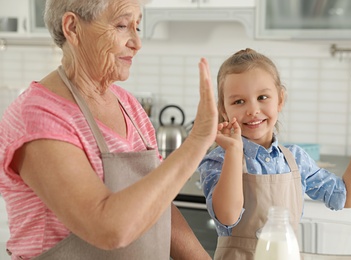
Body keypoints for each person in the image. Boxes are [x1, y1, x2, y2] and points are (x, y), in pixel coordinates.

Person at [0, 0, 218, 259]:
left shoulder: (128, 105)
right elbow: (107, 228)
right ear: (73, 28)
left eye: (137, 26)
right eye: (122, 25)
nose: (136, 43)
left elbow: (158, 203)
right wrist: (197, 142)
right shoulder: (38, 115)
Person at [198, 48, 351, 259]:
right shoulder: (218, 160)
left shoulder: (295, 159)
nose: (252, 110)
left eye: (262, 97)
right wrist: (233, 151)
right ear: (223, 109)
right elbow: (227, 216)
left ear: (280, 100)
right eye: (238, 102)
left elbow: (346, 196)